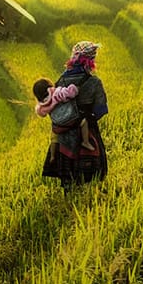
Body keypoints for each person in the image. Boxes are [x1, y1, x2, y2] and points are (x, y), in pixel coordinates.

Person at [41, 41, 109, 190]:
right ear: (91, 61)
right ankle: (88, 199)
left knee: (66, 165)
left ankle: (68, 192)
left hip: (64, 130)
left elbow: (54, 104)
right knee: (92, 168)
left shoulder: (61, 80)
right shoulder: (94, 82)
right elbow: (101, 109)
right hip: (87, 126)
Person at [32, 78, 96, 156]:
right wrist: (75, 88)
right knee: (83, 121)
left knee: (54, 137)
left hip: (58, 127)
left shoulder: (42, 106)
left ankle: (55, 154)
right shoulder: (55, 93)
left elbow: (41, 114)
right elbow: (69, 93)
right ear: (48, 87)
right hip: (71, 120)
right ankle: (86, 142)